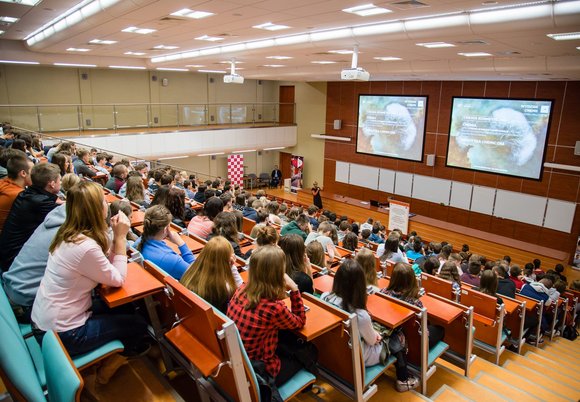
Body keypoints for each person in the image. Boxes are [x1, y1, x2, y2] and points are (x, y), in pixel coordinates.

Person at [30, 182, 148, 364]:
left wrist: (114, 239)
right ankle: (107, 370)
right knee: (138, 324)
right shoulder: (85, 247)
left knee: (123, 307)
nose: (107, 205)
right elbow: (117, 279)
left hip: (48, 320)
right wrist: (120, 238)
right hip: (63, 334)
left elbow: (104, 265)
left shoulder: (68, 233)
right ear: (94, 209)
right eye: (103, 202)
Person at [227, 245, 306, 387]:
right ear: (279, 273)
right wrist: (294, 288)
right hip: (260, 371)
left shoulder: (241, 288)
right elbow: (300, 321)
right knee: (310, 353)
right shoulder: (274, 308)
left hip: (236, 363)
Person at [381, 262, 444, 390]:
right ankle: (422, 361)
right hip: (410, 340)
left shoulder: (382, 293)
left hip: (392, 335)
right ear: (411, 280)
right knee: (440, 329)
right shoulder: (416, 303)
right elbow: (424, 332)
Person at [321, 260, 384, 367]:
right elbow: (372, 341)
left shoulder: (325, 297)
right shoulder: (360, 315)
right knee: (394, 339)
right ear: (360, 285)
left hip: (332, 352)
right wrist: (377, 334)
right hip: (355, 358)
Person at [0, 163, 62, 272]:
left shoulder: (26, 194)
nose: (60, 183)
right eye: (59, 181)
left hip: (6, 253)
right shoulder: (41, 203)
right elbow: (72, 211)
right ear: (52, 184)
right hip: (13, 261)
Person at [180, 236, 243, 313]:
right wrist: (232, 267)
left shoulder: (190, 271)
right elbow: (242, 292)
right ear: (227, 261)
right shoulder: (224, 287)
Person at [137, 205, 195, 280]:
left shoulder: (139, 241)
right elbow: (195, 273)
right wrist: (181, 243)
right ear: (165, 229)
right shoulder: (170, 260)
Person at [0, 150, 33, 233]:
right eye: (33, 171)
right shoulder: (19, 195)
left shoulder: (2, 182)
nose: (36, 174)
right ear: (23, 173)